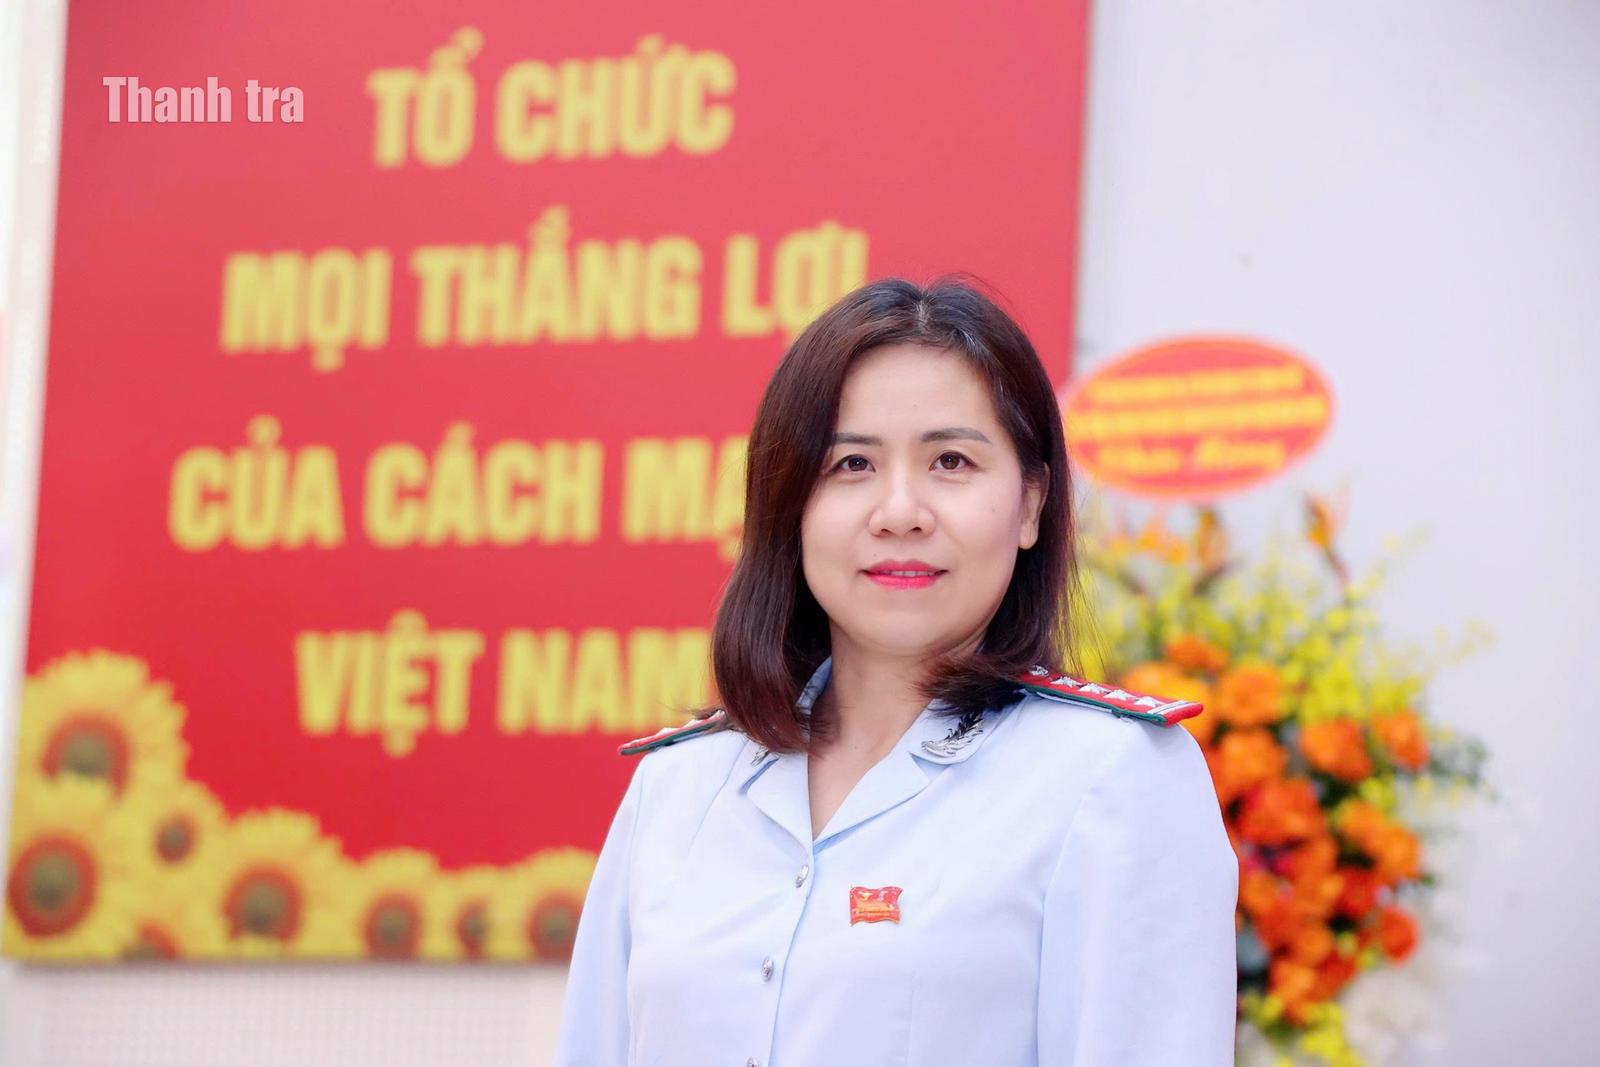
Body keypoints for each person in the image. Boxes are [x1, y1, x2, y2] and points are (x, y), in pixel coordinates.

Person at [552, 277, 1239, 1066]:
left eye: (951, 460)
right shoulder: (677, 788)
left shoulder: (1112, 778)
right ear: (789, 506)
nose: (900, 511)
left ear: (1029, 503)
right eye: (851, 463)